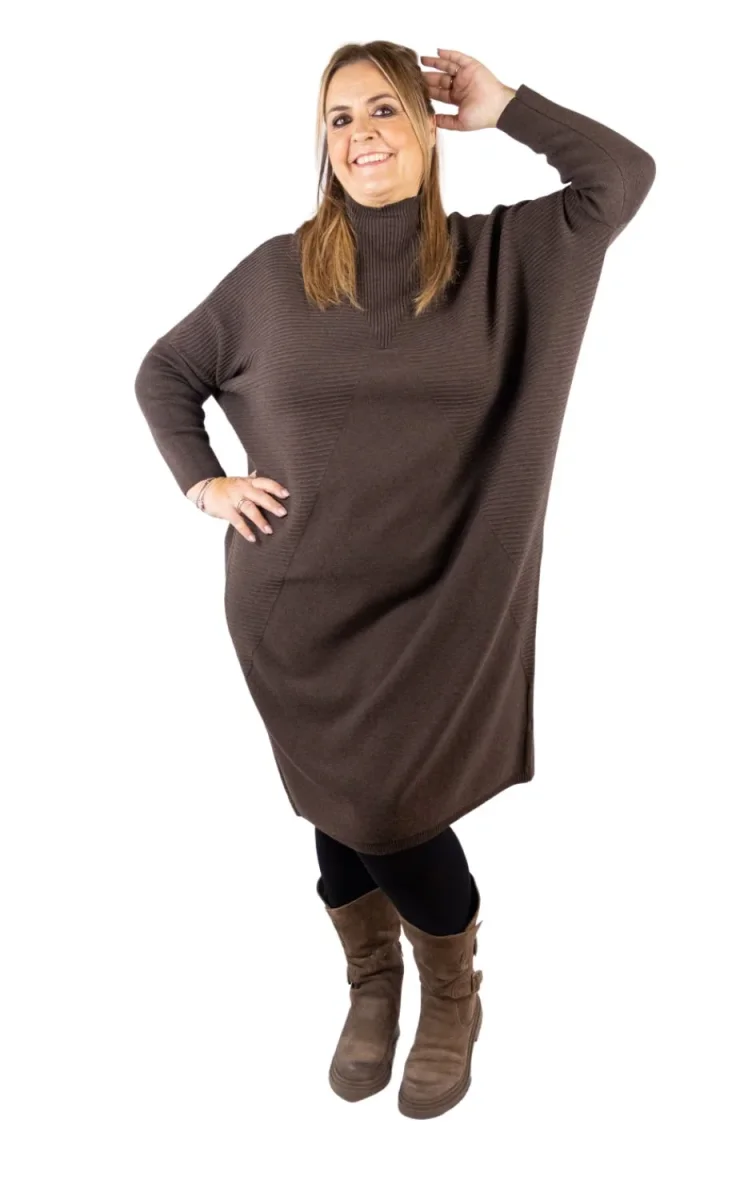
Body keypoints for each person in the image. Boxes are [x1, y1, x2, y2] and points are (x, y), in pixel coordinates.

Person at [134, 40, 655, 1120]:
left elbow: (618, 177)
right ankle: (373, 984)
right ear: (321, 144)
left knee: (384, 810)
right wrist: (206, 484)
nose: (361, 134)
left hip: (442, 610)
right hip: (294, 612)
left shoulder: (504, 256)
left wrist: (506, 105)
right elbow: (166, 372)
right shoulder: (276, 273)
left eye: (384, 110)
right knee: (339, 811)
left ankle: (451, 996)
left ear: (425, 127)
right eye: (339, 118)